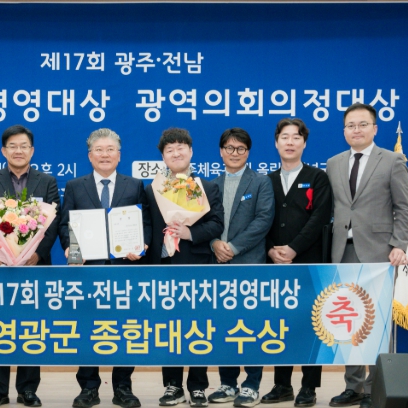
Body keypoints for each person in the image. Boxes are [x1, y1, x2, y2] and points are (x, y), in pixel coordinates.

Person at [326, 103, 408, 408]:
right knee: (347, 321)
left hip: (379, 254)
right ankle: (354, 386)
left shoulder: (392, 160)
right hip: (342, 252)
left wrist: (399, 244)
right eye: (351, 125)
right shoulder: (333, 163)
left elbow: (403, 207)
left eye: (363, 124)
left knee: (377, 324)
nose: (356, 130)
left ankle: (376, 389)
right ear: (344, 131)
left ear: (374, 128)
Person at [59, 128, 151, 408]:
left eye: (110, 149)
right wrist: (72, 249)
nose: (105, 155)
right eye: (99, 150)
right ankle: (88, 388)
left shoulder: (134, 185)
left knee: (125, 329)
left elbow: (145, 223)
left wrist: (142, 245)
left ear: (119, 155)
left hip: (125, 269)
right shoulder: (75, 186)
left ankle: (123, 387)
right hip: (87, 271)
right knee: (88, 328)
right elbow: (65, 224)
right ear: (90, 156)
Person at [0, 125, 60, 408]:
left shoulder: (47, 181)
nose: (18, 150)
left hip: (34, 266)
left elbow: (53, 224)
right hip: (0, 267)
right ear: (4, 151)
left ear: (32, 150)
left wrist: (37, 254)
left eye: (24, 146)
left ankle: (28, 389)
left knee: (31, 327)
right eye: (12, 146)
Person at [145, 128, 224, 408]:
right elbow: (146, 225)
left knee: (197, 327)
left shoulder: (207, 187)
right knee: (169, 328)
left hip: (196, 266)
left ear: (191, 151)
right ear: (163, 156)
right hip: (164, 266)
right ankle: (172, 386)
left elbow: (216, 224)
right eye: (170, 150)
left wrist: (191, 233)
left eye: (181, 147)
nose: (176, 153)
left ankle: (198, 386)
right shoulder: (152, 189)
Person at [261, 119, 332, 408]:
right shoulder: (266, 180)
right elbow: (260, 220)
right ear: (276, 142)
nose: (290, 142)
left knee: (311, 324)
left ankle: (309, 387)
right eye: (284, 137)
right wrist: (270, 250)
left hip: (309, 263)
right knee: (281, 324)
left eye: (296, 137)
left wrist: (293, 249)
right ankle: (282, 385)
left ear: (304, 143)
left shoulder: (317, 178)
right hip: (274, 263)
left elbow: (320, 218)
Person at [206, 128, 274, 408]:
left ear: (248, 152)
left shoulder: (260, 182)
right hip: (217, 266)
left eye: (240, 148)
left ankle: (251, 385)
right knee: (224, 326)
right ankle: (227, 383)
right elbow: (203, 222)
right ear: (221, 151)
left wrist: (232, 248)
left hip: (249, 265)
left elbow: (263, 220)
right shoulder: (211, 185)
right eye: (229, 148)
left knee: (251, 326)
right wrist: (214, 243)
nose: (234, 153)